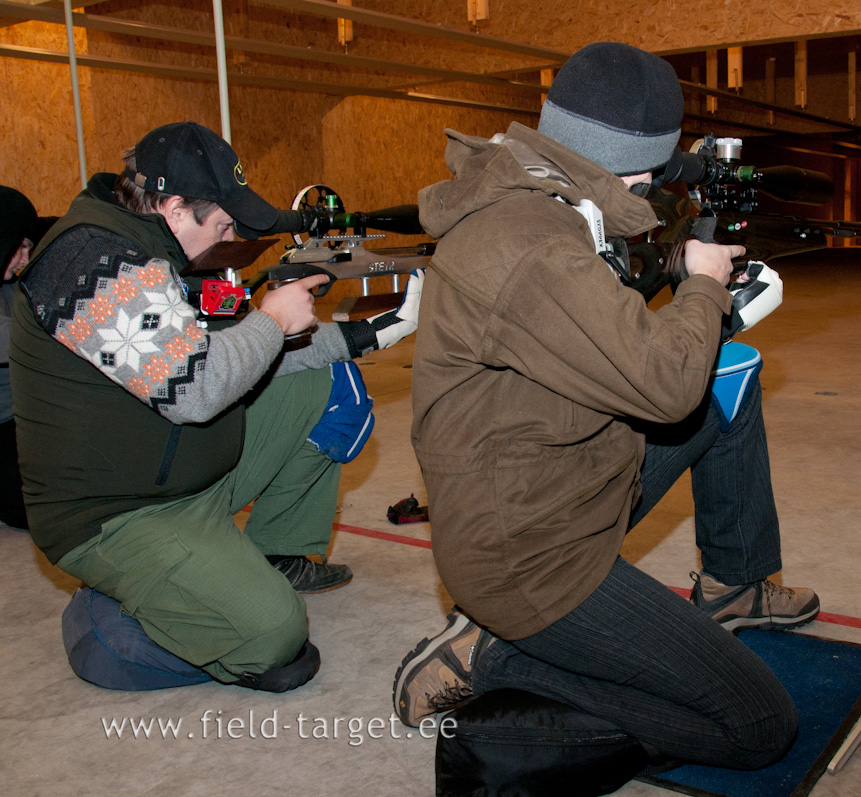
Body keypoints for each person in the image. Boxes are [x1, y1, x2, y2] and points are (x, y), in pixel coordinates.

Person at [393, 42, 815, 769]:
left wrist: (688, 279)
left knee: (730, 385)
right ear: (640, 168)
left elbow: (602, 325)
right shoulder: (532, 245)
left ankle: (732, 583)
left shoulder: (538, 196)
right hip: (530, 555)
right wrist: (705, 288)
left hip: (549, 478)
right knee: (759, 725)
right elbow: (664, 383)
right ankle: (497, 658)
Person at [9, 121, 422, 691]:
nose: (228, 238)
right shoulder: (94, 263)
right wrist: (273, 317)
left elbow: (239, 352)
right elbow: (197, 386)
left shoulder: (151, 248)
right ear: (176, 208)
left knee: (326, 382)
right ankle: (109, 623)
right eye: (223, 225)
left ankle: (270, 555)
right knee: (275, 641)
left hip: (177, 471)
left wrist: (372, 333)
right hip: (117, 515)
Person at [0, 185, 51, 530]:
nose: (24, 258)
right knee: (33, 506)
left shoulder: (10, 285)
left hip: (23, 413)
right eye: (19, 247)